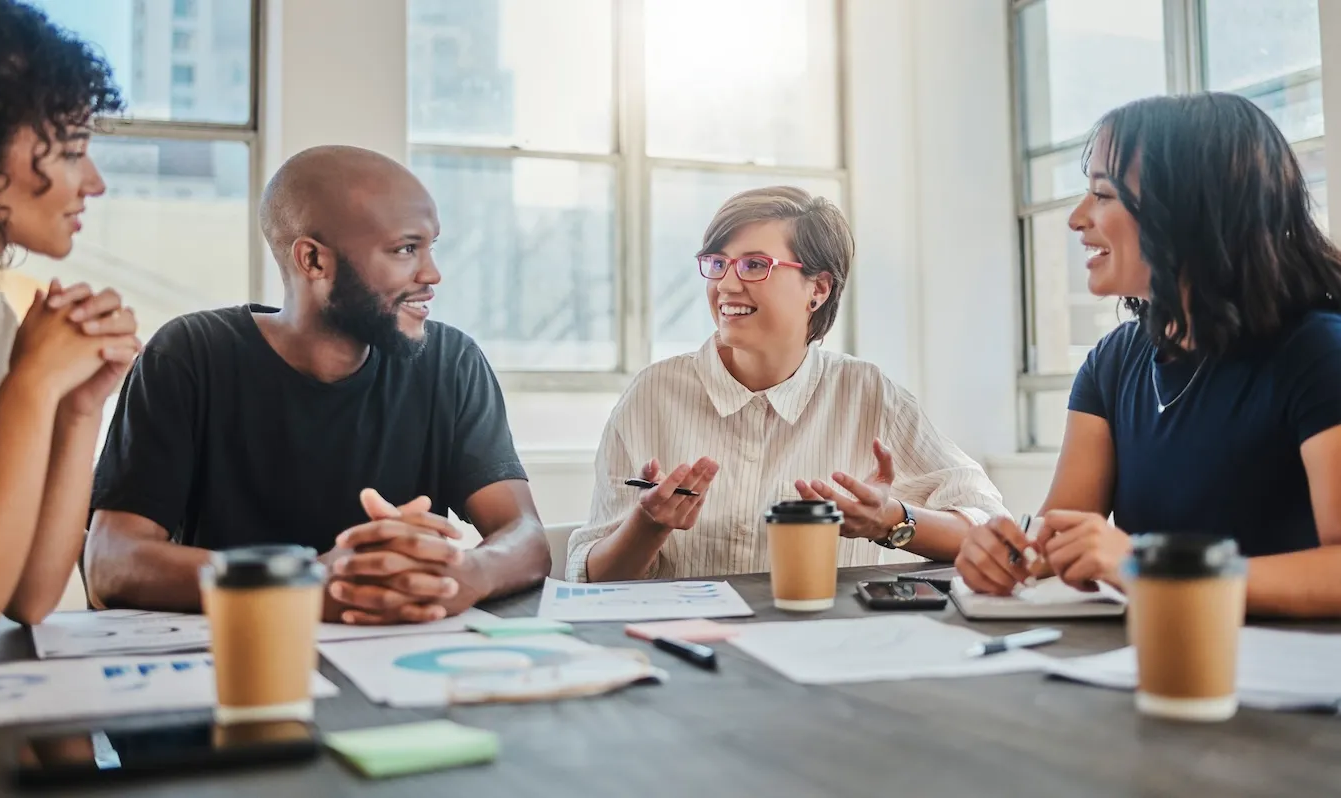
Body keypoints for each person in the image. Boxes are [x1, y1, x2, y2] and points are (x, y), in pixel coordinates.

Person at [84, 145, 551, 624]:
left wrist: (468, 572)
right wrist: (303, 582)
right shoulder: (189, 355)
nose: (432, 275)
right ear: (312, 260)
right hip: (239, 666)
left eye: (431, 247)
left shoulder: (451, 362)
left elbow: (526, 534)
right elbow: (111, 563)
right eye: (406, 250)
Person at [955, 93, 1341, 618]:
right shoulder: (1113, 361)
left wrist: (1153, 564)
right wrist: (1004, 553)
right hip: (1154, 658)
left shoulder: (1319, 352)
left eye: (1104, 195)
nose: (1076, 218)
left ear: (1188, 210)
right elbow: (1056, 535)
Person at [568, 186, 1006, 581]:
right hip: (685, 649)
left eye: (755, 265)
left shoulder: (868, 394)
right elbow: (591, 579)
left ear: (818, 288)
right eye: (718, 263)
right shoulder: (652, 394)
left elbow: (990, 529)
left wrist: (890, 520)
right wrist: (648, 526)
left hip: (824, 649)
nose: (726, 283)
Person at [0, 0, 141, 665]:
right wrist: (32, 384)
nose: (95, 182)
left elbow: (30, 595)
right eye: (74, 148)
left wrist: (77, 406)